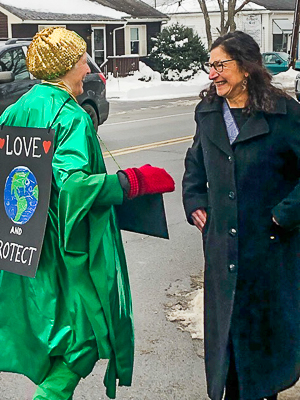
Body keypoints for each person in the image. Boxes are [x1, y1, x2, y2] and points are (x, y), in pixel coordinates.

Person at [0, 27, 174, 400]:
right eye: (82, 60)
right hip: (68, 249)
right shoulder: (73, 118)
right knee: (86, 335)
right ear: (65, 66)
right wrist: (131, 183)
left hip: (26, 243)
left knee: (47, 327)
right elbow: (74, 187)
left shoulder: (15, 110)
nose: (87, 68)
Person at [182, 30, 300, 400]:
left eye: (221, 65)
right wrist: (194, 199)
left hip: (268, 249)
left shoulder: (286, 114)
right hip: (222, 247)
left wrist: (285, 214)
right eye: (210, 65)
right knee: (226, 343)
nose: (213, 73)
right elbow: (195, 162)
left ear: (246, 68)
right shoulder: (208, 113)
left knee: (261, 342)